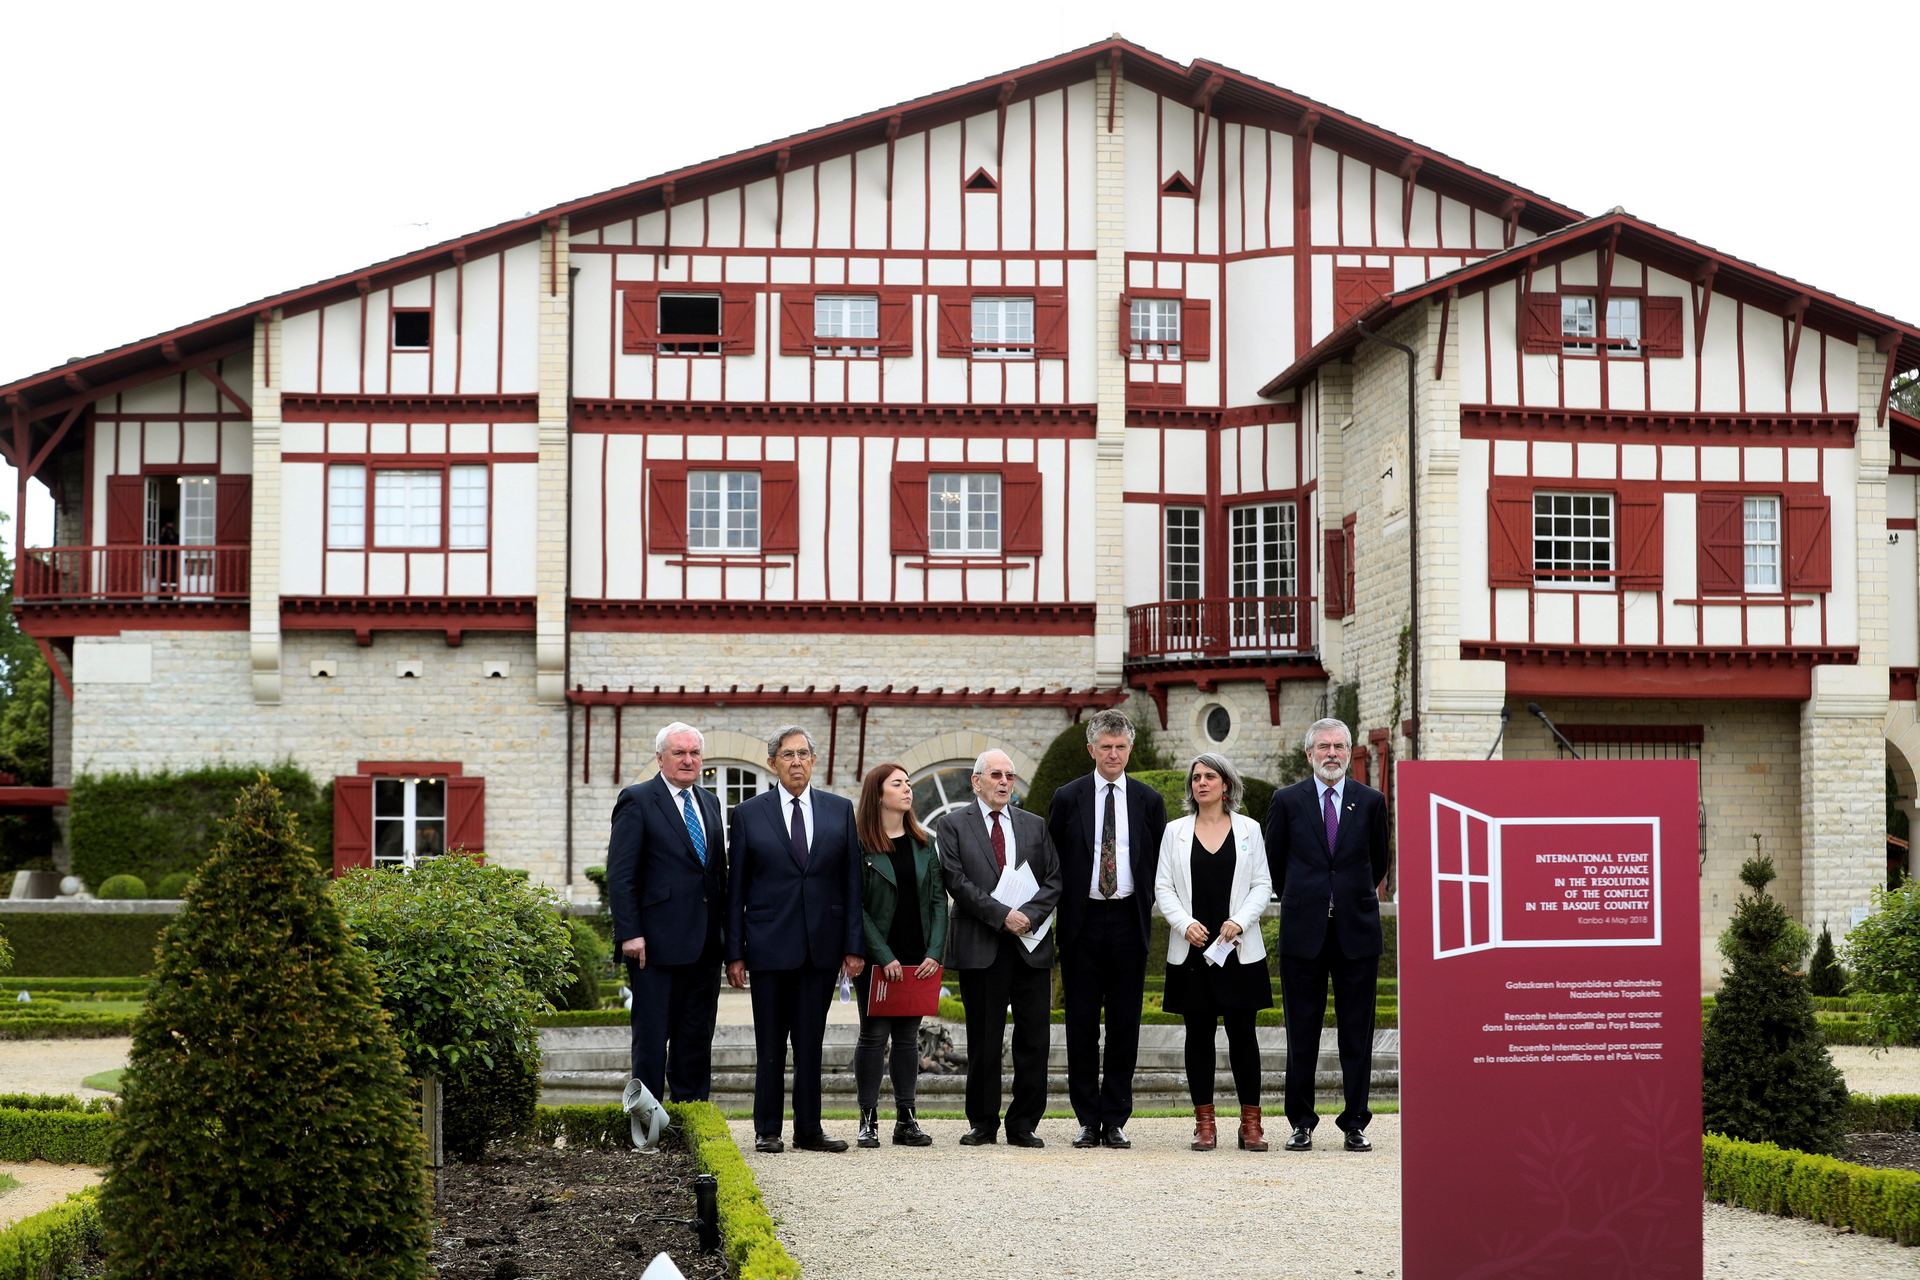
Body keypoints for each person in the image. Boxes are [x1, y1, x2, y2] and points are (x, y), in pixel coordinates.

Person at [725, 726, 865, 1153]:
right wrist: (734, 953)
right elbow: (736, 890)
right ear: (773, 764)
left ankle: (809, 1130)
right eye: (787, 755)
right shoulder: (748, 814)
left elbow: (852, 884)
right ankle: (767, 1130)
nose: (797, 762)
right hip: (768, 948)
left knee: (810, 1043)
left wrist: (853, 946)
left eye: (804, 753)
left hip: (820, 948)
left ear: (814, 760)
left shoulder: (839, 810)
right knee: (770, 1044)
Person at [1263, 717, 1391, 1153]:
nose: (1331, 753)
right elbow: (1274, 863)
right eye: (1323, 747)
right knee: (1302, 1033)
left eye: (1339, 746)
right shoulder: (1287, 800)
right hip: (1304, 932)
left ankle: (1355, 1121)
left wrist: (1345, 896)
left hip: (1356, 931)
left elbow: (1379, 862)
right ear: (1309, 754)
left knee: (1357, 1032)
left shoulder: (1371, 801)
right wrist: (1310, 897)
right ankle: (1301, 1122)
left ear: (1348, 753)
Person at [1046, 708, 1168, 1149]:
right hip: (1082, 922)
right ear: (1091, 749)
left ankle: (1115, 1117)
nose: (1113, 753)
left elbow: (1156, 864)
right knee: (1080, 1025)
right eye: (1106, 746)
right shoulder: (1067, 796)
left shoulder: (1149, 801)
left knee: (1124, 1025)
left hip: (1128, 921)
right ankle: (1086, 1117)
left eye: (1120, 747)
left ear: (1129, 748)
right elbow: (1052, 860)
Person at [936, 748, 1061, 1148]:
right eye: (996, 775)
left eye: (1009, 775)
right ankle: (983, 1122)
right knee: (984, 1040)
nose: (1004, 782)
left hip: (1030, 943)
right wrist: (1003, 914)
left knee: (1034, 1039)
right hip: (982, 944)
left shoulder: (1035, 825)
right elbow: (956, 881)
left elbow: (1054, 879)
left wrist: (1027, 916)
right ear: (977, 781)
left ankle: (1023, 1123)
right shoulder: (953, 824)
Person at [1154, 752, 1274, 1152]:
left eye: (1210, 776)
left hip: (1238, 949)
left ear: (1226, 784)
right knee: (1199, 1037)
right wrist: (1183, 923)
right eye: (1196, 777)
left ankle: (1251, 1124)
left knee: (1244, 1037)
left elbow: (1262, 884)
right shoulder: (1174, 832)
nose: (1201, 783)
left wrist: (1240, 920)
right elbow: (1163, 887)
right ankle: (1204, 1123)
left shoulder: (1249, 829)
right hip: (1192, 950)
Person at [605, 721, 728, 1105]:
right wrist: (630, 932)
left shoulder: (709, 803)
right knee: (653, 1038)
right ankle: (647, 1121)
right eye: (679, 752)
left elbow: (717, 873)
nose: (688, 760)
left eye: (694, 753)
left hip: (705, 944)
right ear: (660, 758)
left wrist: (727, 936)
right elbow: (621, 872)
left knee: (696, 1036)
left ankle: (692, 1116)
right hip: (653, 946)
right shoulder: (637, 799)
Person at [851, 762, 947, 1148]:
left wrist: (935, 952)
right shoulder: (860, 844)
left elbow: (940, 901)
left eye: (908, 783)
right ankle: (868, 1120)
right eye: (898, 784)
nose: (907, 790)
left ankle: (906, 1120)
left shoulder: (924, 843)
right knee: (873, 1036)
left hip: (918, 958)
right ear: (878, 794)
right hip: (878, 959)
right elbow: (854, 906)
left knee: (908, 1037)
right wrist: (882, 954)